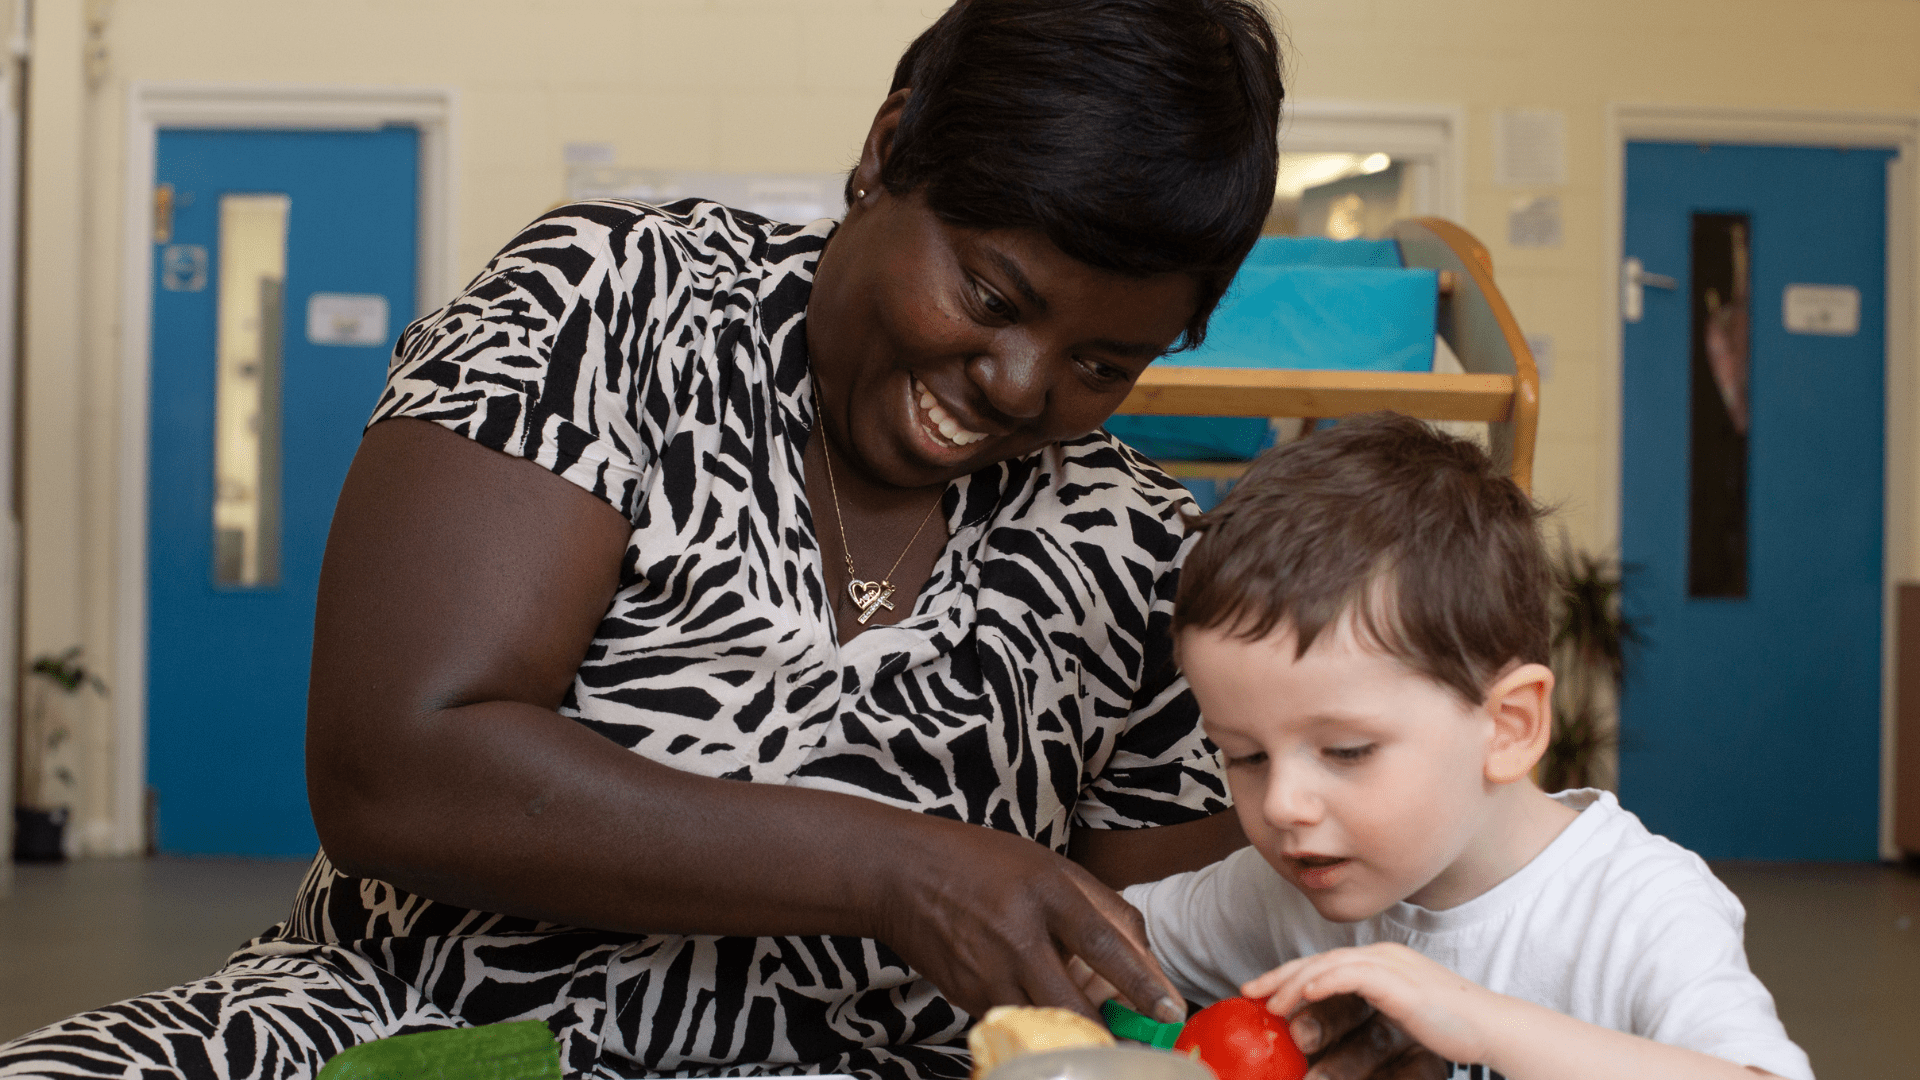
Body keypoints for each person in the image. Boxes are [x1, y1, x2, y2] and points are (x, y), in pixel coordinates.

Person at [0, 3, 1427, 1080]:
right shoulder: (608, 306)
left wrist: (1309, 997)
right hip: (432, 1031)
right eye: (991, 292)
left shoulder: (1125, 542)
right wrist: (899, 865)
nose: (1018, 385)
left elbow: (1159, 933)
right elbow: (399, 764)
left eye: (1101, 363)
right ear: (886, 154)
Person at [1120, 413, 1815, 1080]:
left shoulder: (1640, 908)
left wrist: (1482, 1022)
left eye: (1348, 750)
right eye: (1245, 755)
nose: (1283, 805)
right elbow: (1096, 943)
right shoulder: (1274, 892)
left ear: (1508, 727)